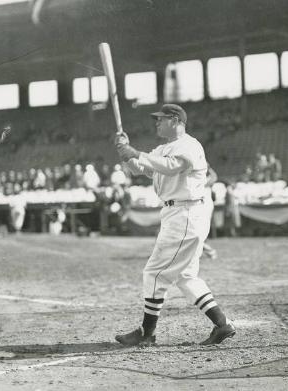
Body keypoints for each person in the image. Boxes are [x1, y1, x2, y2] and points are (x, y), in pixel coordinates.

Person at [113, 103, 236, 346]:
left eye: (161, 119)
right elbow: (142, 170)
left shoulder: (189, 145)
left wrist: (135, 152)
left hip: (186, 212)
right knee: (186, 277)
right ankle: (222, 325)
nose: (156, 123)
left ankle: (147, 333)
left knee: (155, 273)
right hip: (177, 212)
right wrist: (125, 153)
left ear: (175, 120)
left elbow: (172, 166)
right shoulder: (162, 148)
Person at [202, 164, 218, 260]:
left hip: (205, 206)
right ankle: (207, 250)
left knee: (200, 232)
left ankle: (209, 250)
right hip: (203, 206)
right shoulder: (198, 179)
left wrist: (208, 167)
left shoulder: (204, 180)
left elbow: (214, 177)